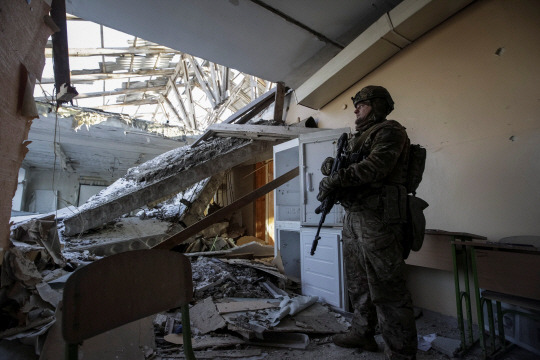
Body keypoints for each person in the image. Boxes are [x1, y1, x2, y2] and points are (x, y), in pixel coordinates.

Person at [317, 85, 417, 360]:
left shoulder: (390, 131)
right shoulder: (357, 138)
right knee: (358, 283)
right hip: (355, 216)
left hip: (379, 219)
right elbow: (350, 166)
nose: (357, 109)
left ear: (378, 105)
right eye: (357, 104)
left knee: (387, 287)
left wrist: (335, 179)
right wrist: (332, 166)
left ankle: (401, 352)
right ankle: (363, 333)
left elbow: (376, 168)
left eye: (362, 104)